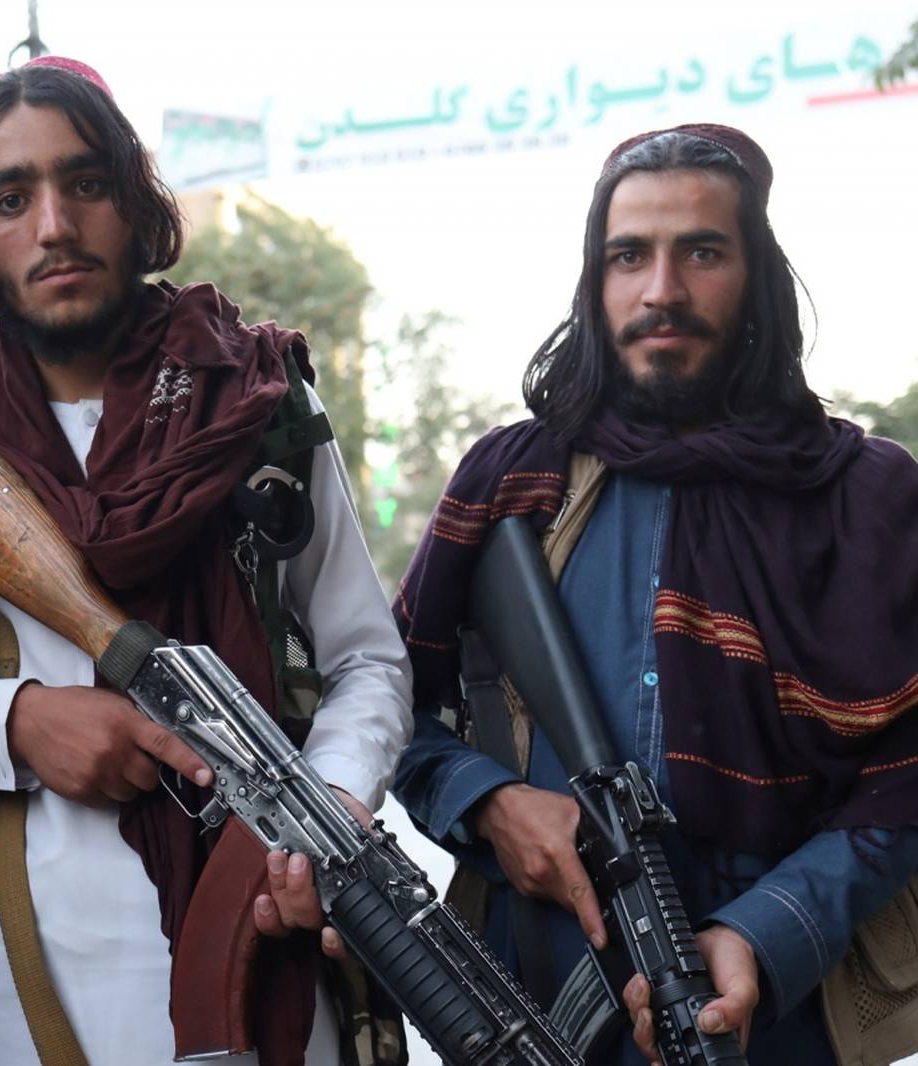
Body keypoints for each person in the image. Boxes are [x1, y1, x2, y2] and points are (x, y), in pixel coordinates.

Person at [0, 57, 412, 1066]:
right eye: (10, 198)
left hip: (258, 941)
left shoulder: (259, 401)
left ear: (134, 204)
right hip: (4, 973)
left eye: (85, 184)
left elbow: (367, 657)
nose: (54, 226)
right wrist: (13, 721)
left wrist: (324, 803)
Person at [392, 123, 918, 1064]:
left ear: (757, 275)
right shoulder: (513, 482)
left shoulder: (868, 500)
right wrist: (487, 803)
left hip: (780, 1016)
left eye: (702, 252)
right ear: (595, 284)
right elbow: (385, 700)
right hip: (532, 992)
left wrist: (768, 929)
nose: (661, 290)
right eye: (628, 256)